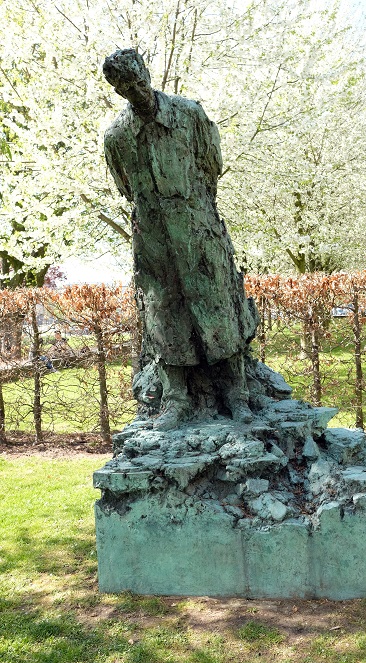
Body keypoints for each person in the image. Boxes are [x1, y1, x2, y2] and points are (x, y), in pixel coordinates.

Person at [103, 49, 259, 430]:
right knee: (163, 315)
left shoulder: (188, 115)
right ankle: (176, 399)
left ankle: (236, 394)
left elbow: (211, 164)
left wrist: (192, 209)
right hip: (154, 243)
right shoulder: (117, 137)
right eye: (126, 88)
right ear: (118, 91)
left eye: (139, 82)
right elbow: (126, 188)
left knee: (219, 307)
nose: (136, 91)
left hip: (198, 233)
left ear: (146, 73)